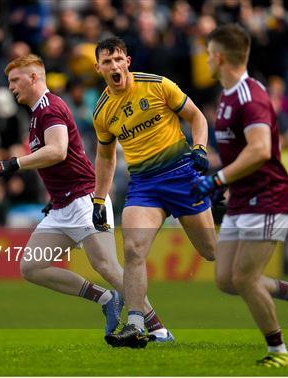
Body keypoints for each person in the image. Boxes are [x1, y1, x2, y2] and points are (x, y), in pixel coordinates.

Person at [0, 54, 173, 341]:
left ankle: (158, 329)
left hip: (86, 200)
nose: (11, 87)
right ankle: (105, 299)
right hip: (62, 205)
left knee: (107, 266)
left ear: (34, 78)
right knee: (31, 266)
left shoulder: (49, 108)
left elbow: (58, 150)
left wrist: (13, 163)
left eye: (15, 80)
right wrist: (54, 195)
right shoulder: (36, 113)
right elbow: (62, 159)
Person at [192, 23, 288, 367]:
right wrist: (229, 184)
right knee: (226, 280)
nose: (205, 60)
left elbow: (261, 149)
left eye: (208, 54)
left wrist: (218, 179)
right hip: (243, 199)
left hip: (268, 198)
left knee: (245, 278)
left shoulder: (251, 97)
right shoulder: (228, 96)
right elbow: (242, 157)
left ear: (219, 57)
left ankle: (278, 352)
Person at [92, 36, 216, 348]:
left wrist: (200, 148)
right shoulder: (102, 112)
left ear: (128, 62)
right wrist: (98, 198)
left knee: (212, 252)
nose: (114, 66)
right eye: (107, 62)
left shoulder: (158, 85)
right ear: (98, 68)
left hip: (181, 176)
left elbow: (197, 117)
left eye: (119, 59)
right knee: (133, 249)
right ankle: (136, 324)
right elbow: (106, 158)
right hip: (144, 185)